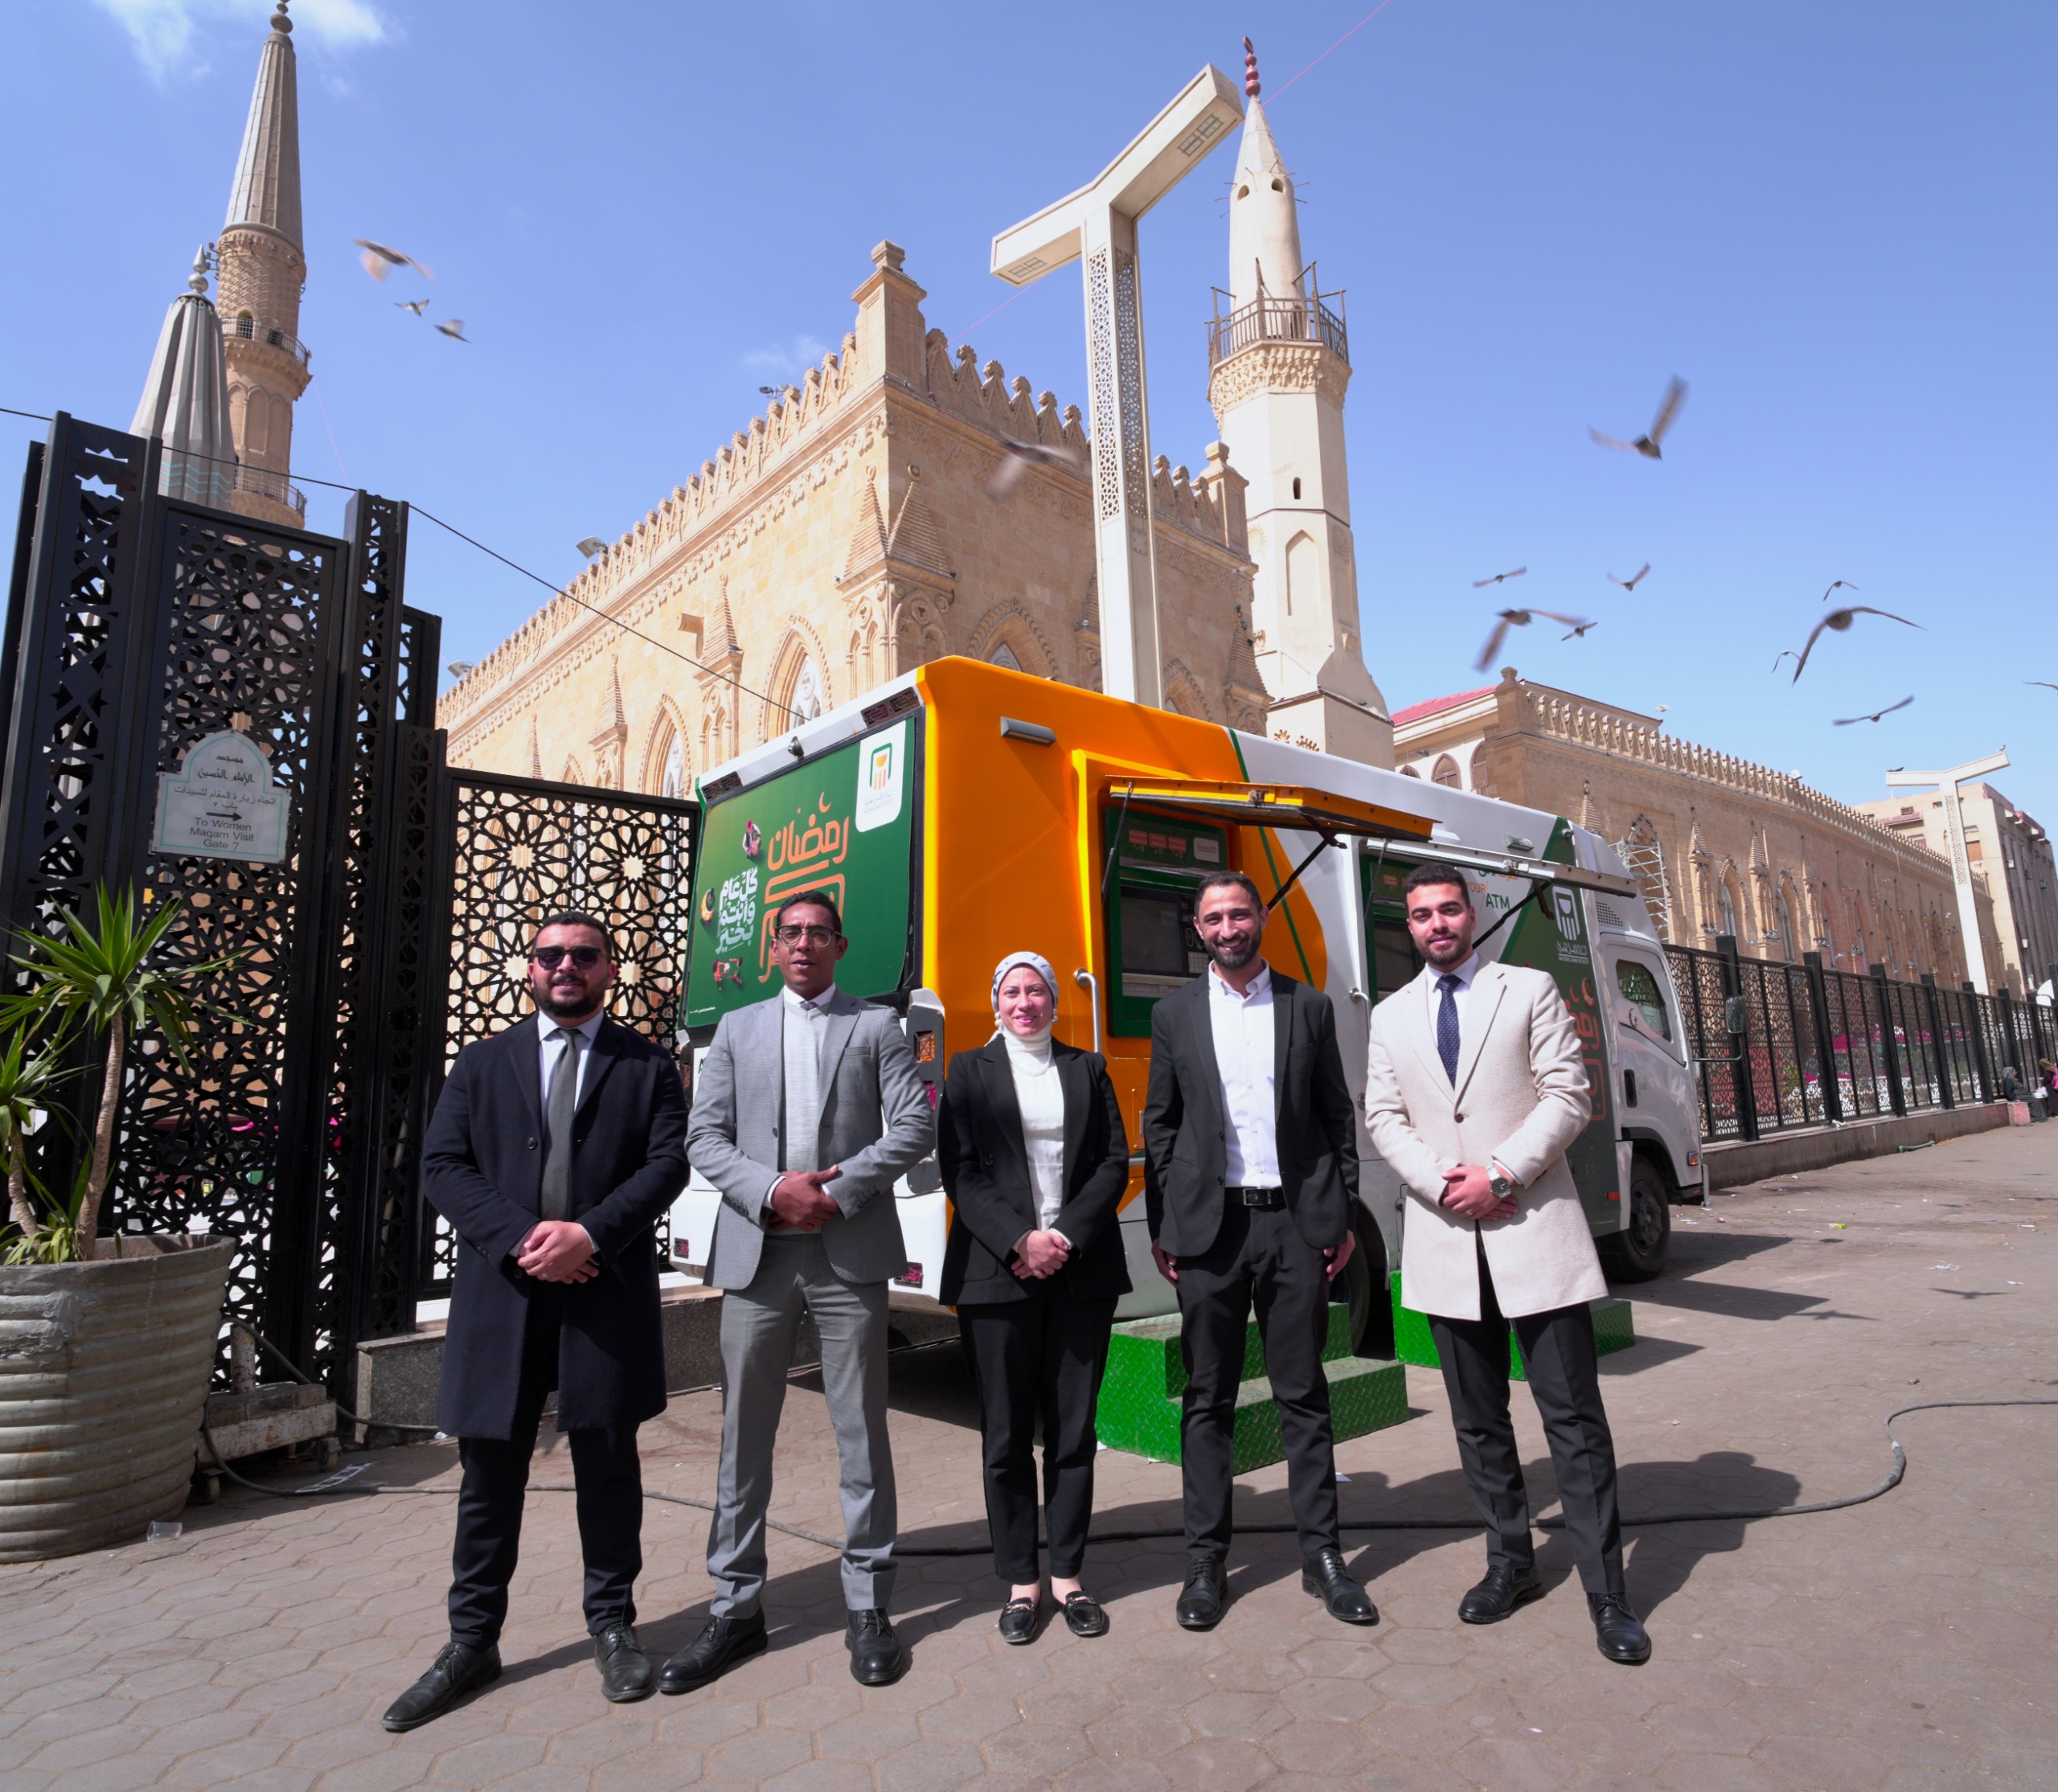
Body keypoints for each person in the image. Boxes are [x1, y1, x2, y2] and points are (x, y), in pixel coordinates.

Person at [385, 912, 691, 1731]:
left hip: (602, 1291)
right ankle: (471, 1641)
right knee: (488, 1477)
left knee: (608, 1469)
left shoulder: (647, 1065)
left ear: (609, 970)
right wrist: (525, 1240)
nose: (566, 966)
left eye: (583, 955)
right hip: (504, 1295)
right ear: (530, 969)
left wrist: (590, 1234)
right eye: (551, 955)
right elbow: (442, 1165)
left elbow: (667, 1163)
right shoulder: (482, 1063)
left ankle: (613, 1625)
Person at [1363, 863, 1650, 1666]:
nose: (1437, 923)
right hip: (1446, 1239)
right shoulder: (1389, 1015)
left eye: (1449, 909)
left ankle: (1608, 1595)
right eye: (1422, 914)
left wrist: (1500, 1174)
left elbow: (1568, 1094)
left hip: (1532, 1230)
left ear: (1472, 913)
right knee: (1478, 1420)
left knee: (1574, 1421)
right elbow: (1383, 1116)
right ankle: (1510, 1563)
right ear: (1409, 925)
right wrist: (1444, 1184)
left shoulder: (1526, 990)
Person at [672, 890, 934, 1692]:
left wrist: (838, 1190)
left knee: (862, 1433)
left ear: (840, 946)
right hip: (757, 1256)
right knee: (743, 1437)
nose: (803, 944)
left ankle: (868, 1603)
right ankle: (736, 1606)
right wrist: (771, 1190)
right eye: (790, 932)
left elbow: (913, 1126)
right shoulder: (737, 1030)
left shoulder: (876, 1027)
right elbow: (703, 1135)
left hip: (846, 1253)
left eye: (819, 933)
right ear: (772, 944)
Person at [1141, 870, 1375, 1632]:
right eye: (1213, 918)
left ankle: (1324, 1557)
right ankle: (1205, 1560)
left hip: (1294, 1228)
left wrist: (1339, 1214)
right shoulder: (1174, 1013)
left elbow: (1337, 1117)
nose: (1227, 927)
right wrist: (1164, 1224)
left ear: (1262, 917)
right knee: (1207, 1397)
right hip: (1210, 1234)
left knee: (1302, 1393)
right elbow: (1160, 1125)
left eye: (1239, 913)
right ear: (1198, 928)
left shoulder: (1308, 1006)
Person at [937, 951, 1133, 1643]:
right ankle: (1022, 1581)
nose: (1025, 1002)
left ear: (1054, 999)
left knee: (1073, 1432)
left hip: (1080, 1271)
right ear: (997, 1002)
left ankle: (1069, 1576)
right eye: (1012, 991)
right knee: (1006, 1434)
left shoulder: (1088, 1068)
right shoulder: (968, 1069)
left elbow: (1113, 1161)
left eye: (1036, 990)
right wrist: (1020, 1238)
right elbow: (959, 1169)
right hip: (997, 1273)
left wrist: (1064, 1236)